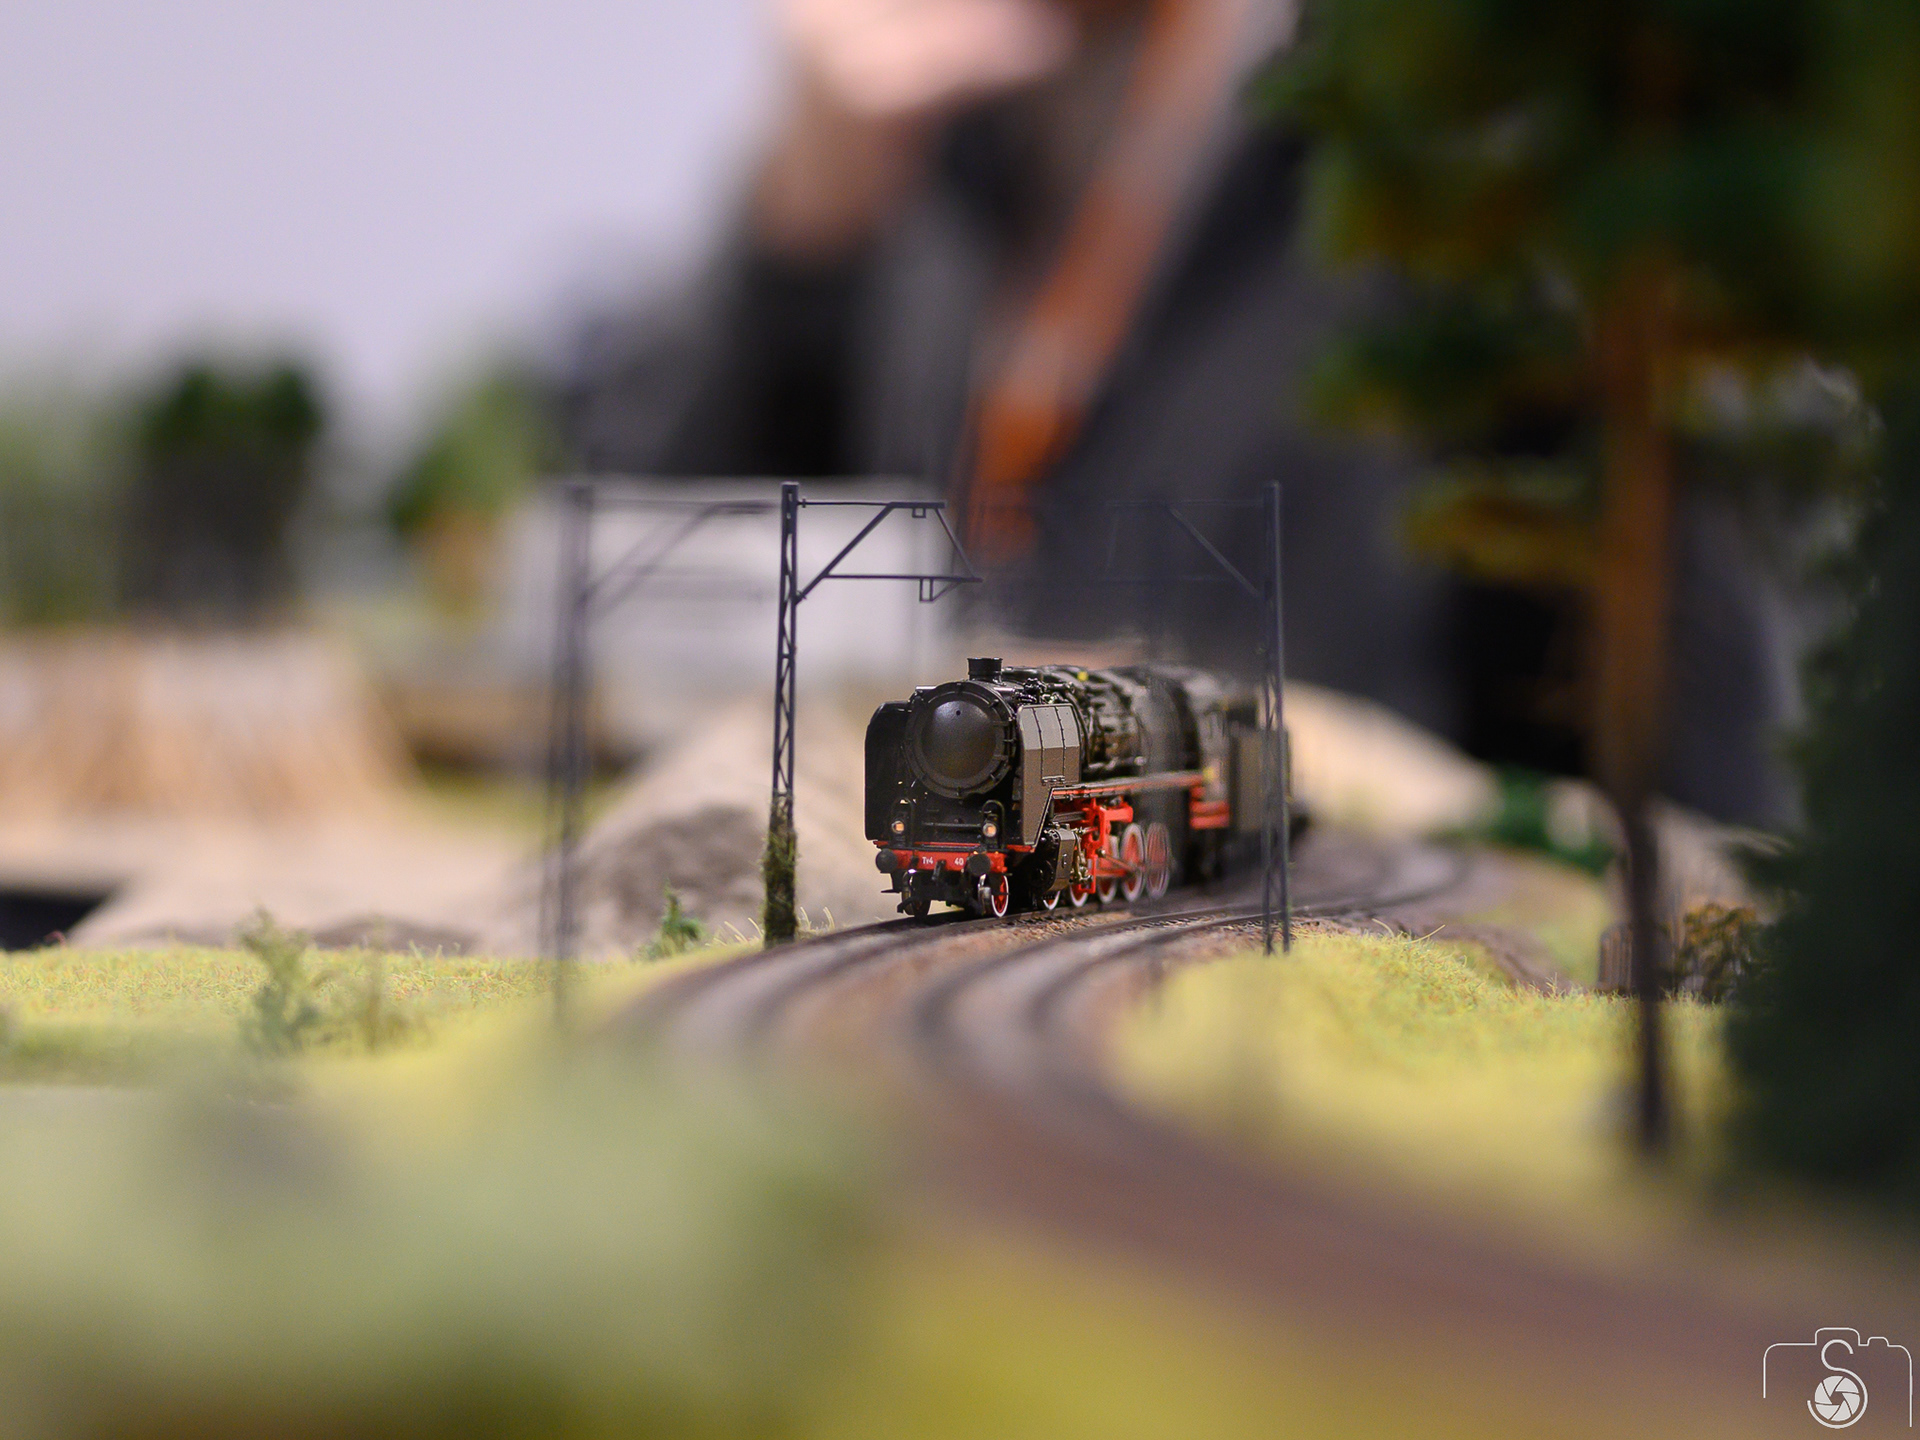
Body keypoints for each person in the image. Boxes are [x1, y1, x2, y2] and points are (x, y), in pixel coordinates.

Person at [559, 0, 1797, 825]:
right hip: (984, 905)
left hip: (1343, 960)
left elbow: (1688, 682)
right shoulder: (930, 150)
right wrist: (798, 236)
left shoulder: (1452, 131)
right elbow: (646, 586)